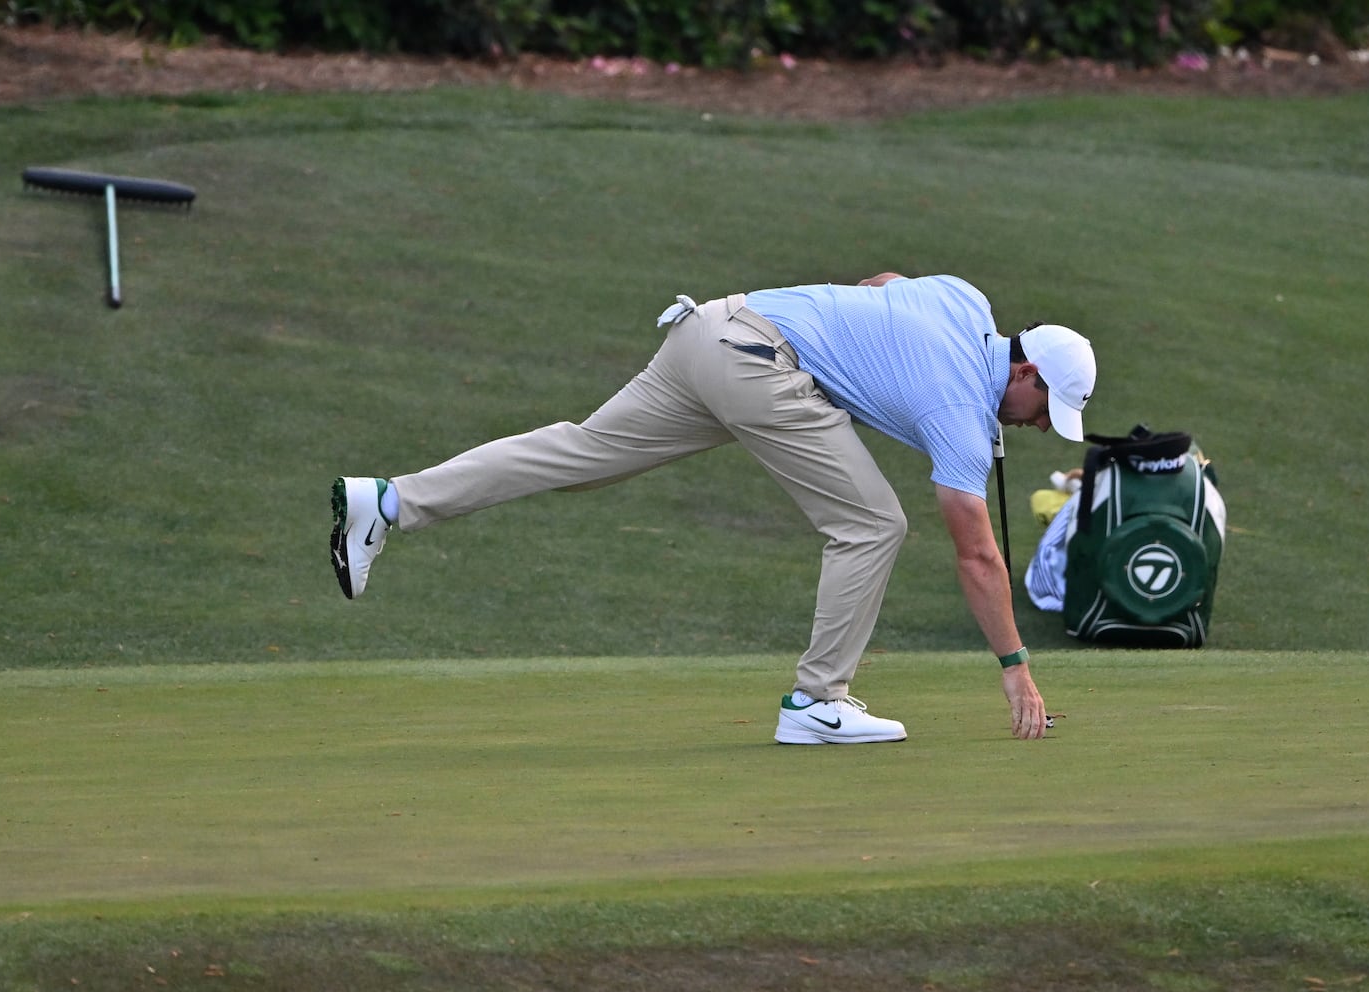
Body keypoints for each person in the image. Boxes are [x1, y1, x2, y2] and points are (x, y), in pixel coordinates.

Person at [330, 273, 1097, 744]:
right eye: (1040, 408)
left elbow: (883, 284)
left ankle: (390, 502)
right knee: (871, 524)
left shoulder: (965, 301)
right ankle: (818, 703)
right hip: (762, 365)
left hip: (712, 327)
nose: (1034, 425)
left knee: (583, 454)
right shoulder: (964, 413)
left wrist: (865, 362)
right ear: (1024, 369)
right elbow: (977, 553)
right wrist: (1015, 669)